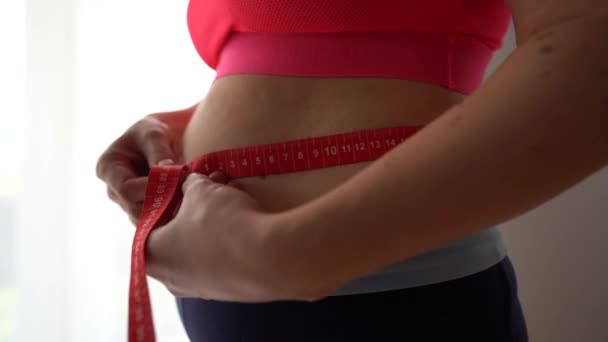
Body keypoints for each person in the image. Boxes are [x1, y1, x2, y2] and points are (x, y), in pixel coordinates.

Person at [96, 0, 608, 341]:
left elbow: (592, 45)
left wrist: (288, 254)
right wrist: (182, 131)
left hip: (401, 299)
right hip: (224, 301)